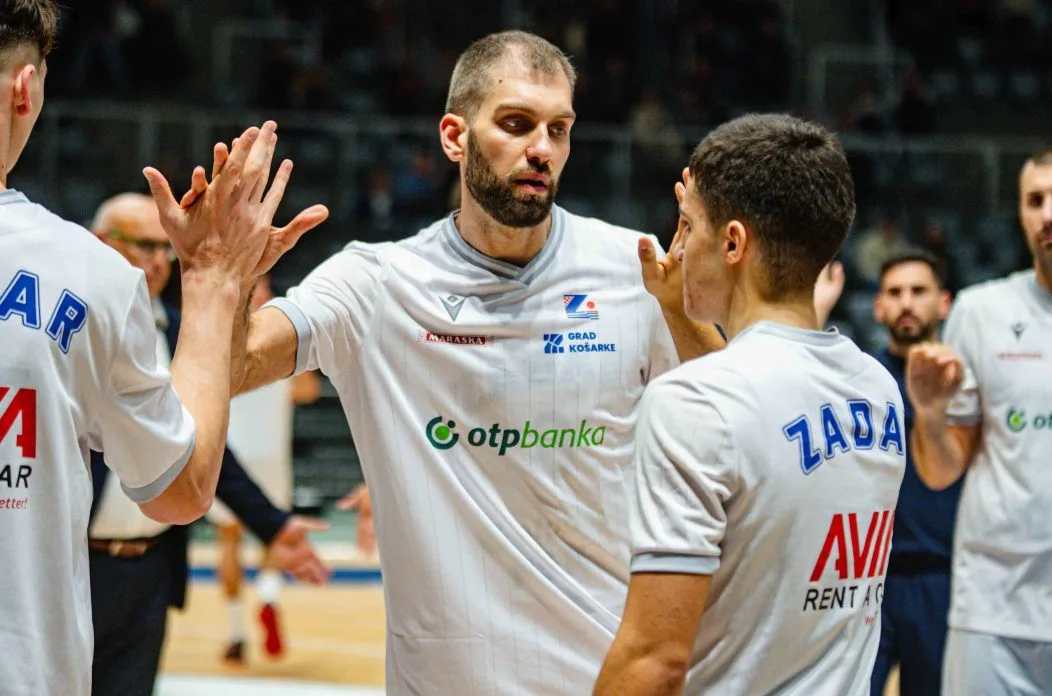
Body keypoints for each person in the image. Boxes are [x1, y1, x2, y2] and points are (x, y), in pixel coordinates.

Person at [172, 29, 726, 695]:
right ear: (454, 137)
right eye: (517, 124)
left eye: (559, 129)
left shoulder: (635, 267)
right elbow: (231, 367)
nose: (542, 149)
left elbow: (731, 420)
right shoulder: (375, 283)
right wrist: (223, 281)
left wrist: (687, 313)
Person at [0, 3, 327, 693]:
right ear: (26, 90)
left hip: (142, 570)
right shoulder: (85, 278)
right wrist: (212, 279)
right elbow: (183, 487)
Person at [594, 114, 906, 695]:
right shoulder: (878, 388)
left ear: (733, 242)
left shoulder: (692, 401)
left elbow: (654, 661)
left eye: (688, 226)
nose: (676, 248)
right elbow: (755, 403)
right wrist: (678, 308)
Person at [86, 193, 327, 696]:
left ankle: (248, 614)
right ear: (101, 243)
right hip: (74, 562)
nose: (159, 261)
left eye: (165, 248)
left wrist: (273, 524)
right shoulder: (70, 325)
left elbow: (200, 447)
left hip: (151, 567)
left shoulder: (181, 332)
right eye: (145, 245)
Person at [908, 149, 1052, 696]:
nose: (1047, 214)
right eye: (1034, 200)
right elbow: (943, 470)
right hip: (994, 609)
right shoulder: (980, 311)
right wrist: (929, 412)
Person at [208, 273, 322, 664]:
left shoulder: (215, 337)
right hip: (271, 455)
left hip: (231, 458)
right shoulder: (282, 339)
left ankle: (236, 633)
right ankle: (269, 598)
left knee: (228, 542)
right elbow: (308, 391)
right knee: (275, 536)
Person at [868, 250, 960, 696]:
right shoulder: (859, 380)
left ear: (944, 303)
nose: (906, 302)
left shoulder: (966, 381)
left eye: (918, 291)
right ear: (878, 306)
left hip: (942, 574)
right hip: (868, 576)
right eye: (895, 292)